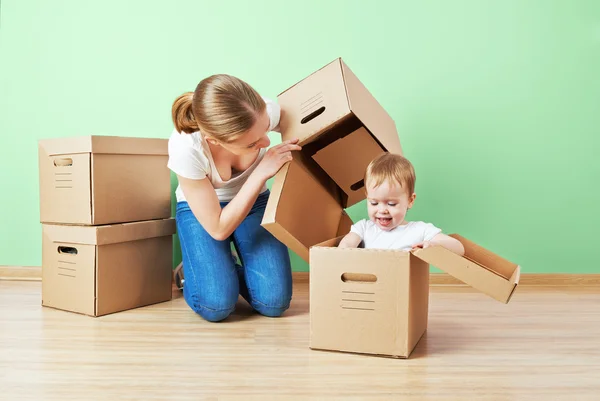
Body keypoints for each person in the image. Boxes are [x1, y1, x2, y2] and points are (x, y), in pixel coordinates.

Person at [167, 74, 302, 322]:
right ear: (215, 140)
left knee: (273, 303)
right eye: (253, 144)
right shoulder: (187, 148)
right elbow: (218, 228)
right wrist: (261, 173)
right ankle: (200, 270)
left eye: (265, 129)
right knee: (215, 306)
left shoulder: (261, 112)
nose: (266, 141)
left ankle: (219, 267)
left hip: (254, 202)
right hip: (203, 212)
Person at [338, 152, 465, 255]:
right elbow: (346, 245)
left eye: (392, 204)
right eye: (374, 203)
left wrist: (434, 245)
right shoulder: (363, 228)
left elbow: (458, 248)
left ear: (410, 200)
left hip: (401, 285)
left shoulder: (419, 230)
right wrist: (343, 252)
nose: (382, 210)